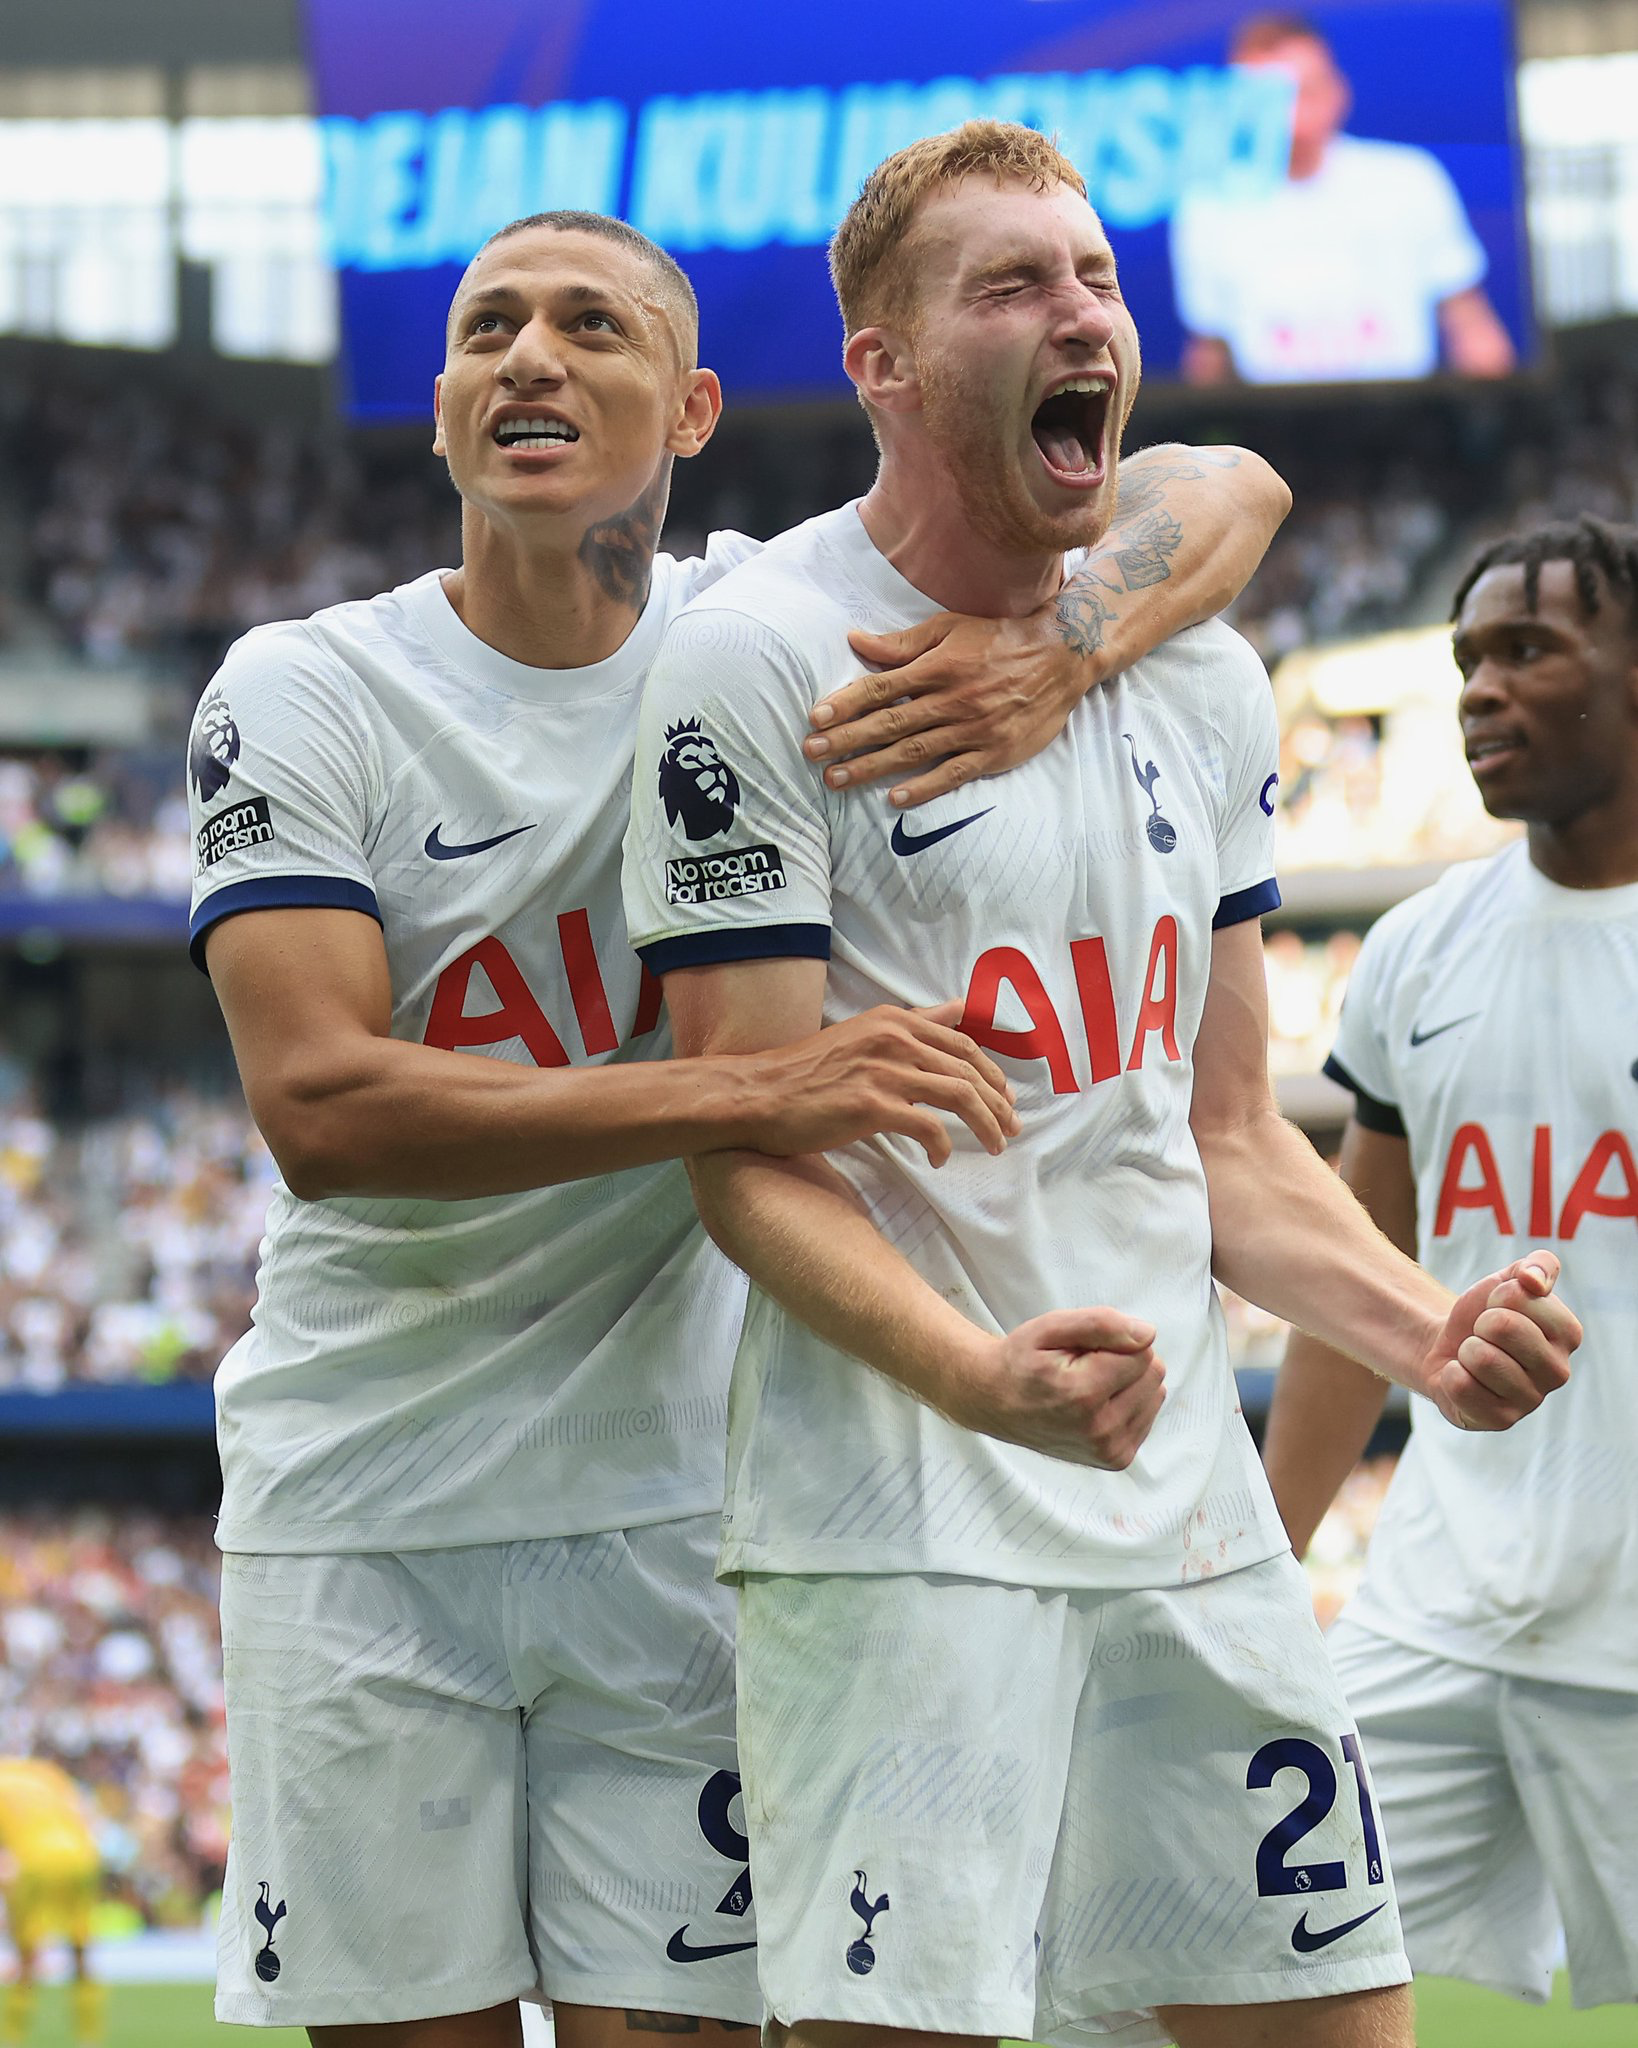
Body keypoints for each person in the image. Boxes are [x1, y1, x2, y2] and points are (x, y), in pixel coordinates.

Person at [185, 201, 1291, 2045]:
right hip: (364, 1502)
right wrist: (756, 1083)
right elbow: (322, 1105)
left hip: (679, 1506)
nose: (528, 358)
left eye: (591, 329)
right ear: (443, 409)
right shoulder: (307, 690)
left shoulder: (754, 634)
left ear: (693, 410)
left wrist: (1067, 643)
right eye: (486, 332)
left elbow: (1230, 482)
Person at [623, 121, 1581, 2048]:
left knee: (1336, 2019)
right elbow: (741, 1148)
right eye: (1011, 286)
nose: (1080, 314)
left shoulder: (1196, 675)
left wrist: (1417, 1322)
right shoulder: (755, 656)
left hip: (1184, 1508)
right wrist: (982, 1377)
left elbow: (1222, 1128)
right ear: (880, 365)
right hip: (900, 1513)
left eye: (1096, 279)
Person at [1263, 515, 1638, 2013]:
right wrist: (1264, 1560)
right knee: (1273, 1965)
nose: (1479, 690)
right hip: (1432, 1611)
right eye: (1468, 657)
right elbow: (1355, 1284)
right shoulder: (1416, 951)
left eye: (1530, 651)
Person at [1171, 12, 1516, 385]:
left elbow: (1470, 325)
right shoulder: (1208, 206)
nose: (1289, 113)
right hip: (1275, 427)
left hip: (1406, 418)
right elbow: (1209, 353)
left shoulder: (1409, 179)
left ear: (1337, 92)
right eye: (1268, 98)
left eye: (1303, 91)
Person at [0, 1757, 104, 2048]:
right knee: (80, 1949)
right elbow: (83, 1814)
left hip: (34, 1858)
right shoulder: (48, 1773)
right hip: (81, 1854)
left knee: (26, 1956)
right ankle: (89, 2037)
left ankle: (13, 2037)